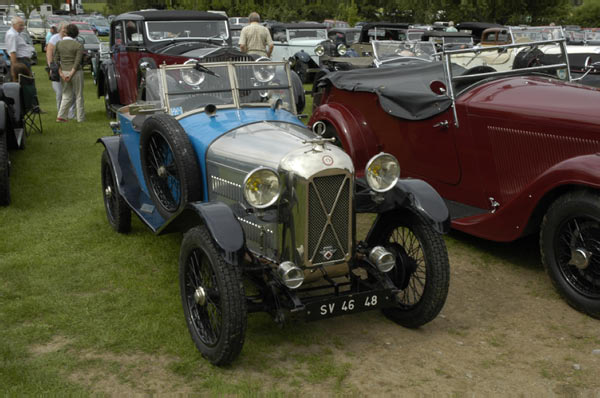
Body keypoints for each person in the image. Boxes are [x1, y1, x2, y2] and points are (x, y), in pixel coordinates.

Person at [54, 24, 85, 123]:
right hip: (76, 72)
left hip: (63, 71)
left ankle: (61, 116)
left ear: (66, 32)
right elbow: (77, 61)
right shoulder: (78, 45)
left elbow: (56, 60)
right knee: (79, 95)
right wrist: (71, 73)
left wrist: (61, 74)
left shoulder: (59, 44)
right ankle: (80, 118)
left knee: (66, 94)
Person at [47, 22, 75, 119]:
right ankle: (61, 112)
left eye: (67, 28)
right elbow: (49, 53)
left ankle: (71, 113)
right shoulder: (54, 39)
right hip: (56, 68)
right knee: (59, 92)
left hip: (69, 68)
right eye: (63, 28)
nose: (65, 30)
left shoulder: (72, 39)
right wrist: (51, 67)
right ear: (59, 29)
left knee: (71, 91)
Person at [5, 16, 35, 80]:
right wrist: (14, 70)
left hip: (23, 61)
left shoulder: (16, 34)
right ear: (14, 25)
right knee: (24, 81)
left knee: (26, 81)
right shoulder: (12, 35)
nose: (22, 27)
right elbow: (12, 53)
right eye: (20, 25)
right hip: (20, 62)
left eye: (23, 25)